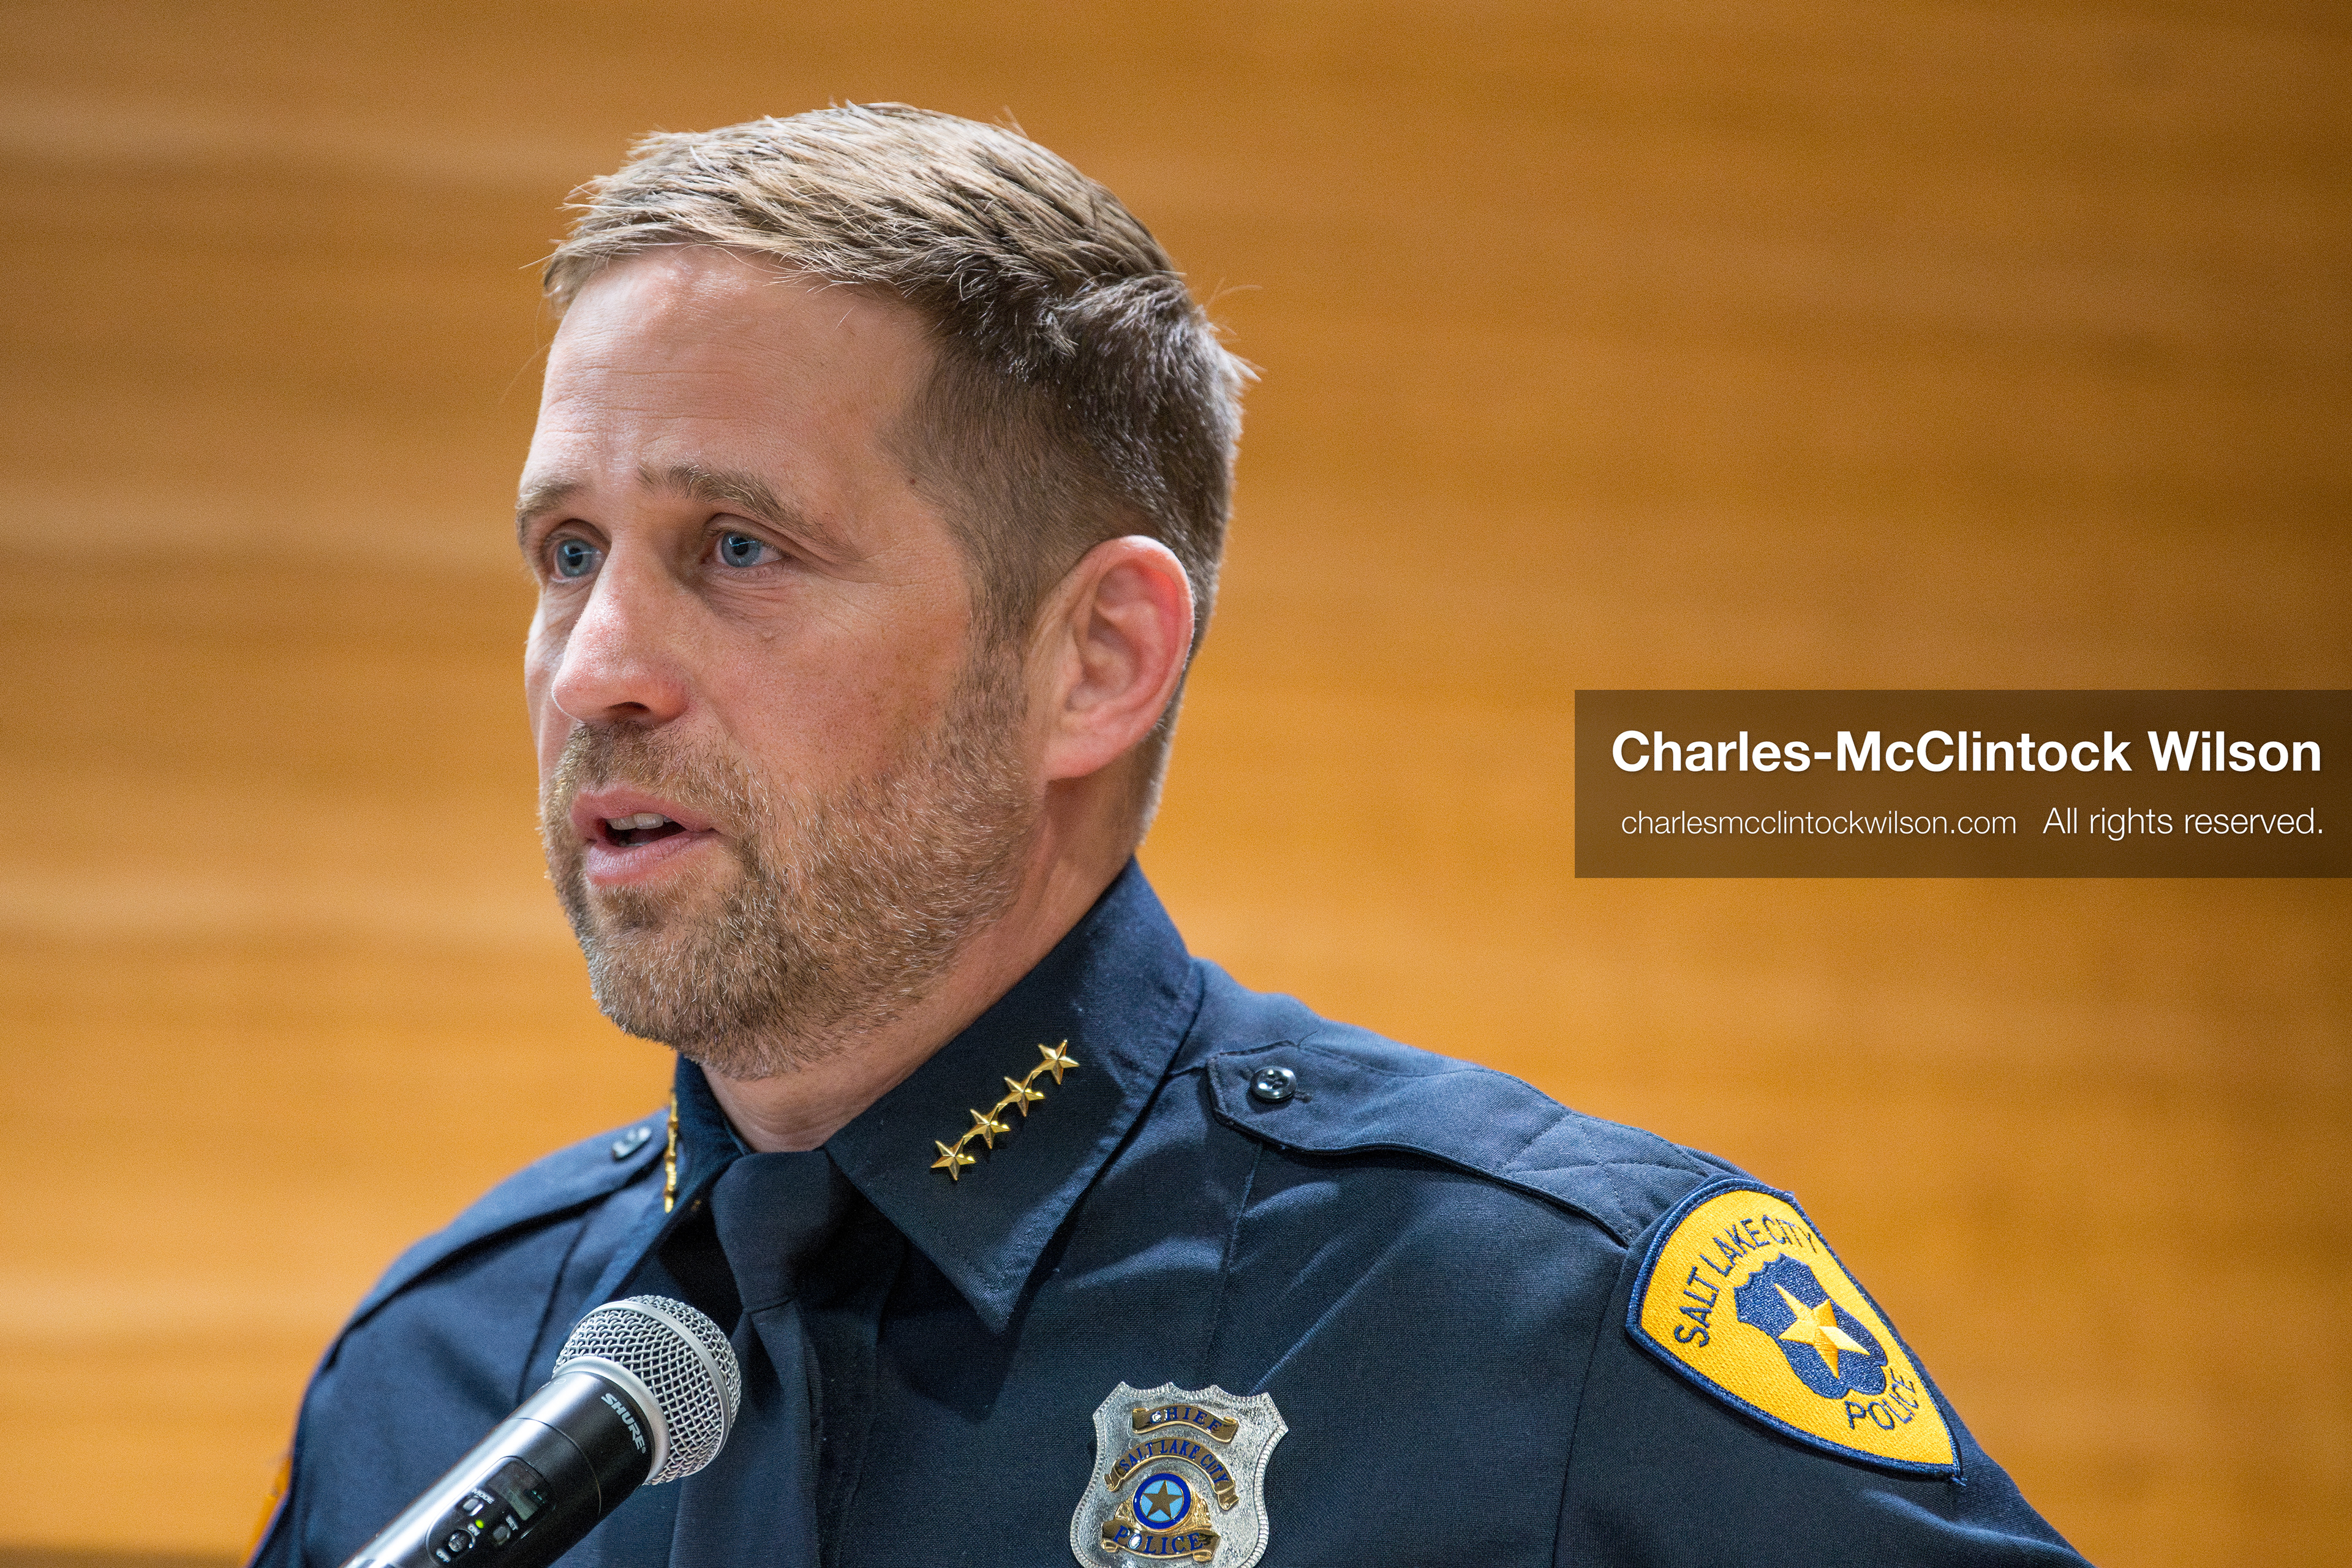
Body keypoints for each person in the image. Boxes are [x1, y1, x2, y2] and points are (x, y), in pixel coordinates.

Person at [251, 105, 2089, 1567]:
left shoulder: (1543, 1334)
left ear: (1096, 659)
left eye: (738, 549)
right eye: (567, 553)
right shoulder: (441, 1379)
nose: (601, 669)